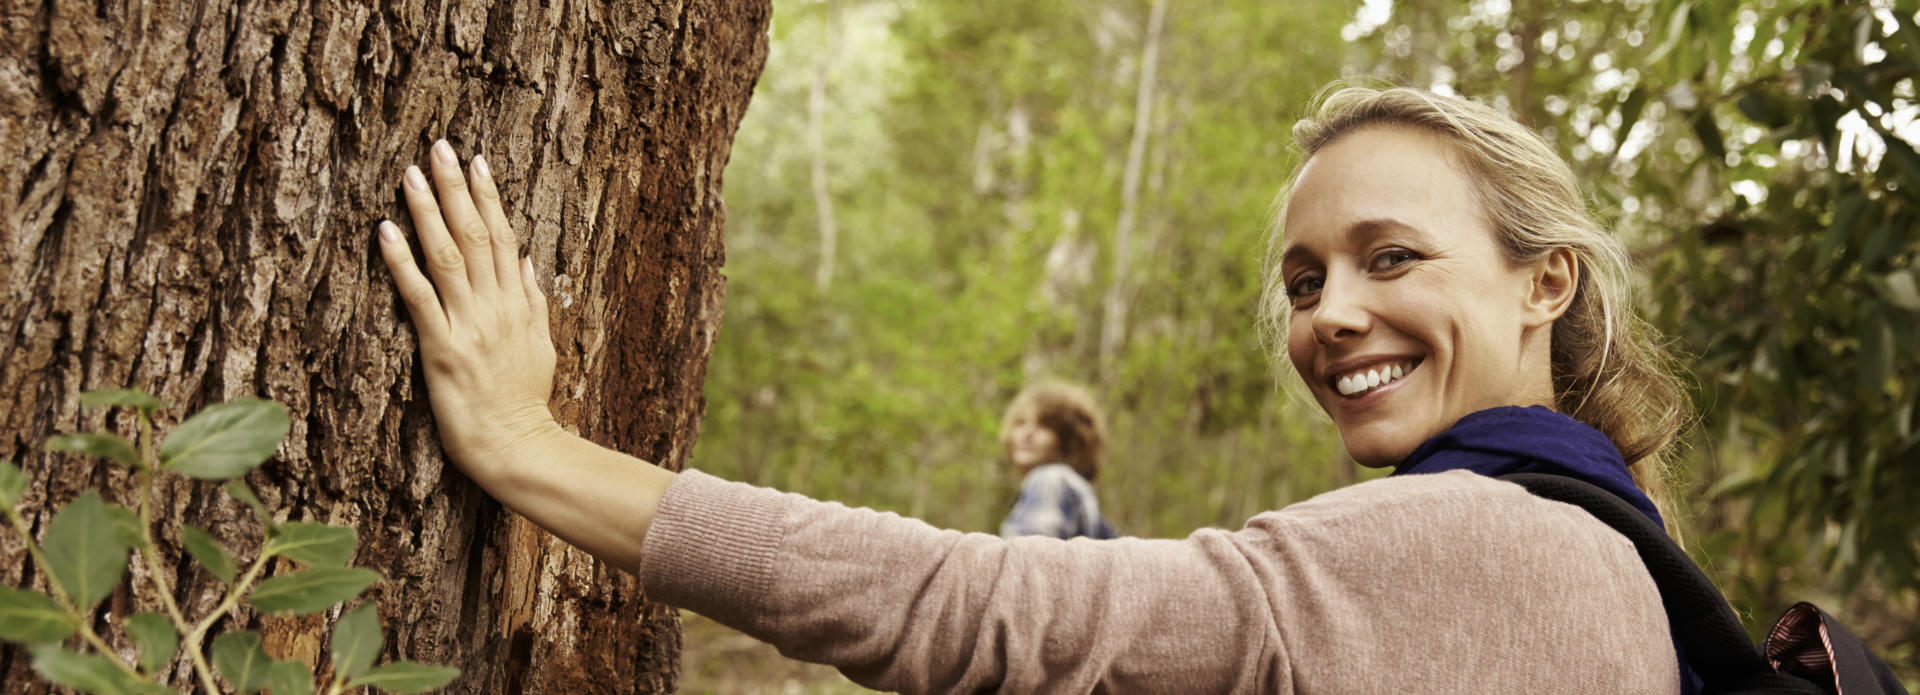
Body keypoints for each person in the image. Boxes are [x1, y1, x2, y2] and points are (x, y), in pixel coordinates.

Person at [373, 84, 1692, 693]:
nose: (1333, 312)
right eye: (1302, 281)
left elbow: (978, 606)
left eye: (1390, 255)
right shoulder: (1615, 546)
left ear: (1546, 283)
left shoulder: (1484, 537)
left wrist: (529, 446)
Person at [998, 381, 1119, 540]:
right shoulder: (1073, 488)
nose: (1027, 433)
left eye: (1044, 425)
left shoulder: (1051, 479)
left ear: (1068, 440)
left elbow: (1029, 559)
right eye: (1021, 423)